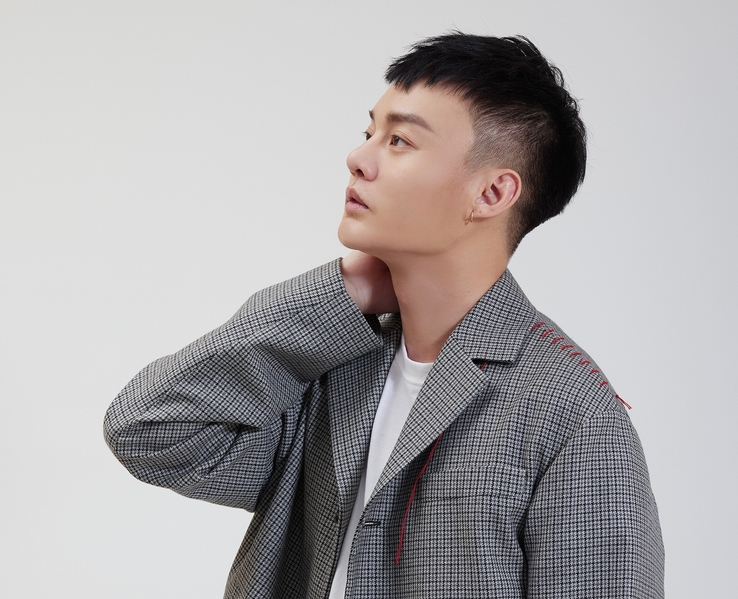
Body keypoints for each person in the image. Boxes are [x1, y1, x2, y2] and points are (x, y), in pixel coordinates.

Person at [104, 32, 664, 598]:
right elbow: (147, 431)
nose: (358, 158)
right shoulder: (331, 365)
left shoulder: (573, 416)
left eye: (399, 140)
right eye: (369, 132)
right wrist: (341, 294)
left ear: (492, 194)